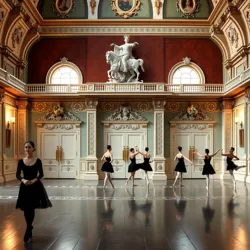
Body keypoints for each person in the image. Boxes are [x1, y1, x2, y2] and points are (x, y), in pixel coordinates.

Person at [16, 141, 52, 243]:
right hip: (24, 187)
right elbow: (17, 175)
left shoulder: (38, 161)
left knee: (31, 208)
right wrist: (23, 180)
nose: (27, 149)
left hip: (35, 187)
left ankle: (28, 229)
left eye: (29, 147)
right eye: (26, 147)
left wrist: (33, 180)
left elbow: (41, 174)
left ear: (33, 149)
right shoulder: (21, 161)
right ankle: (29, 226)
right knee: (26, 208)